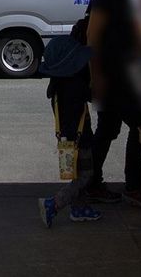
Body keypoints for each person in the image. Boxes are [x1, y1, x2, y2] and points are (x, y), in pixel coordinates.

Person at [82, 0, 141, 207]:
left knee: (108, 129)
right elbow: (93, 35)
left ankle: (91, 183)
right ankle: (132, 185)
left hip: (122, 72)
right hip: (112, 75)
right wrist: (96, 75)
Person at [37, 17, 103, 228]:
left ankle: (79, 208)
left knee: (77, 175)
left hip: (66, 140)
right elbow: (92, 96)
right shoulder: (75, 87)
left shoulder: (58, 86)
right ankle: (54, 203)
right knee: (85, 176)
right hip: (79, 140)